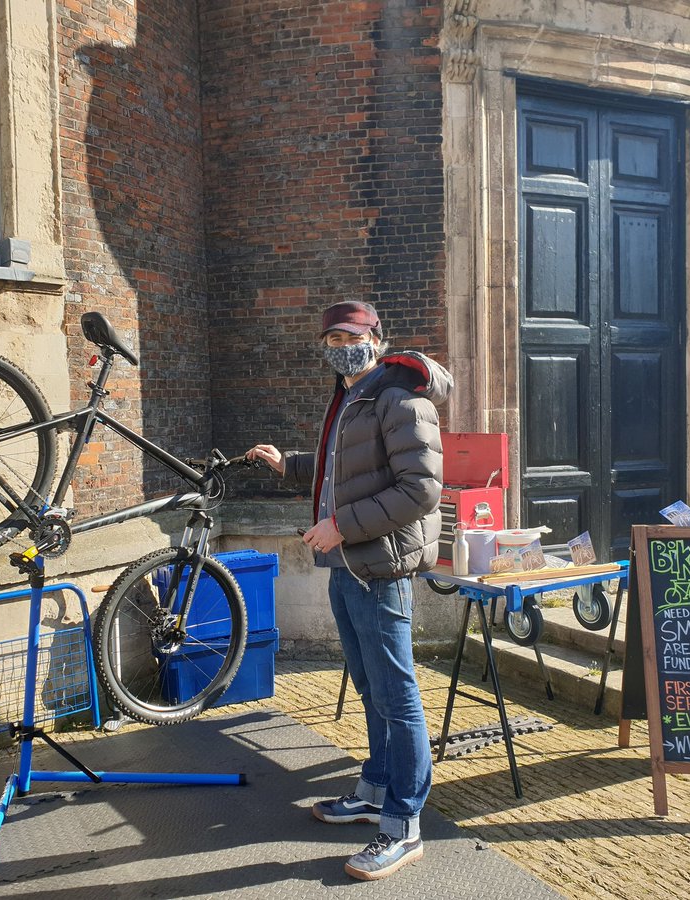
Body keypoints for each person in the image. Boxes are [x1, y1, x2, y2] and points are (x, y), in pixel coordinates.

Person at [246, 300, 452, 881]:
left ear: (376, 337)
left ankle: (404, 825)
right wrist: (288, 464)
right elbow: (346, 468)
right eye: (331, 337)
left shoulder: (399, 397)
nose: (339, 344)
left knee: (398, 694)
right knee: (369, 686)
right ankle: (374, 791)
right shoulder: (352, 396)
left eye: (350, 334)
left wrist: (341, 525)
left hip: (378, 566)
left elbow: (420, 490)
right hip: (346, 566)